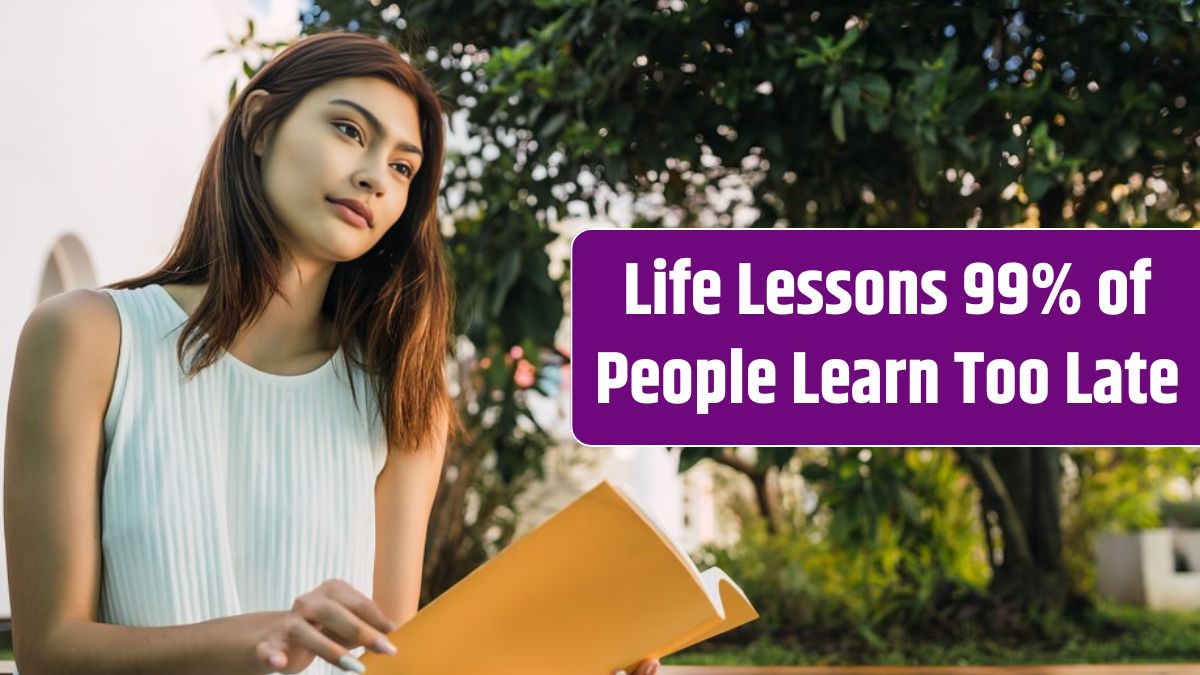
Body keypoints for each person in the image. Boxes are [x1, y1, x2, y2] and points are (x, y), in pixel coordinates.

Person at [3, 30, 660, 675]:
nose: (375, 176)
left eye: (404, 167)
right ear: (260, 126)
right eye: (350, 130)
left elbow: (390, 662)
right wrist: (258, 638)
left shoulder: (401, 393)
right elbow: (50, 650)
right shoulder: (86, 337)